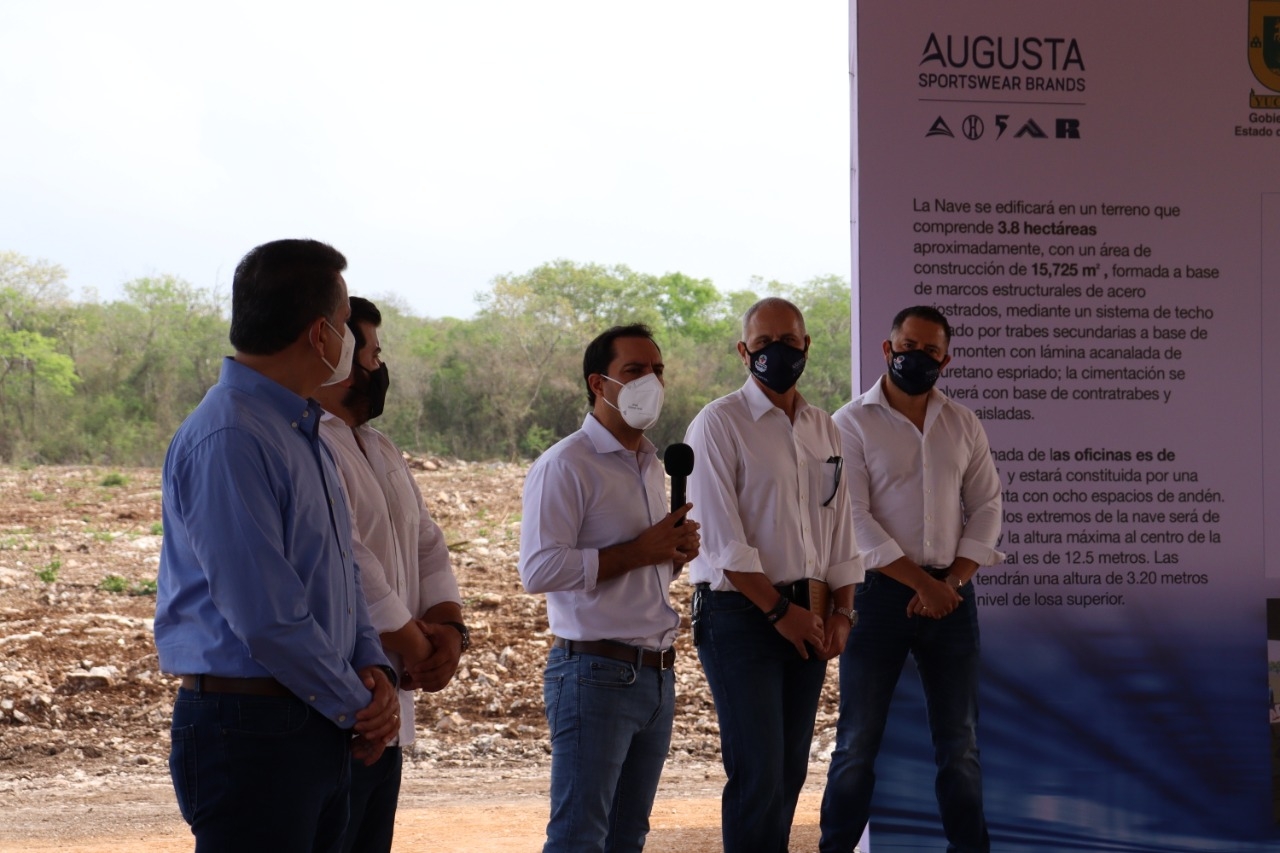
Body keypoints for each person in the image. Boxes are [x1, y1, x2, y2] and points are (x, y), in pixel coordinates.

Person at [154, 239, 400, 852]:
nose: (350, 341)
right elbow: (266, 616)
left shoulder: (304, 430)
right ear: (320, 335)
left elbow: (339, 576)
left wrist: (372, 666)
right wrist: (358, 703)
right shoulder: (231, 435)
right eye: (346, 325)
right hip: (253, 730)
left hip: (315, 717)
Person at [819, 305, 1003, 853]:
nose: (917, 359)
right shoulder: (848, 423)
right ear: (887, 350)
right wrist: (922, 586)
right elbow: (852, 517)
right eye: (908, 348)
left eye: (930, 351)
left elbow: (987, 505)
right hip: (876, 598)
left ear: (946, 358)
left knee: (962, 745)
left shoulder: (963, 422)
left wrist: (954, 581)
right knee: (856, 742)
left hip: (952, 596)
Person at [684, 297, 863, 853]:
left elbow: (839, 527)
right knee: (758, 773)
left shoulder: (823, 428)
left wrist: (842, 611)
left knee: (788, 773)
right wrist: (780, 612)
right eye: (763, 344)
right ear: (744, 352)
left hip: (810, 614)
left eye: (789, 341)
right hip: (742, 614)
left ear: (807, 346)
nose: (777, 353)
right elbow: (721, 541)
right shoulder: (718, 424)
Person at [518, 323, 701, 852]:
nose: (653, 382)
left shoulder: (650, 463)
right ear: (600, 384)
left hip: (655, 675)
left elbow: (635, 570)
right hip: (595, 673)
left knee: (628, 837)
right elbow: (539, 570)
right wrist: (642, 551)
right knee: (580, 836)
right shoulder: (566, 464)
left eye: (658, 371)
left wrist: (669, 557)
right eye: (635, 371)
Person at [315, 296, 468, 853]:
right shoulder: (312, 444)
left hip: (395, 700)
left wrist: (450, 630)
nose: (380, 368)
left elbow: (427, 541)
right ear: (340, 359)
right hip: (349, 698)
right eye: (373, 353)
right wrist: (410, 639)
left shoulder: (381, 447)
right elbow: (349, 556)